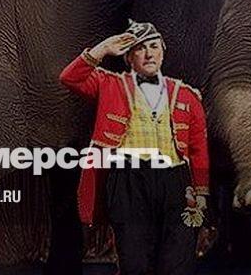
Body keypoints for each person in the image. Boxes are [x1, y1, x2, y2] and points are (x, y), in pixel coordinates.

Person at [59, 19, 209, 275]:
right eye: (140, 48)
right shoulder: (110, 84)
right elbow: (70, 78)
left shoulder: (185, 94)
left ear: (163, 52)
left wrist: (202, 193)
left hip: (175, 181)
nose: (149, 54)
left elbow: (198, 149)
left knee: (178, 262)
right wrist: (104, 48)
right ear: (129, 57)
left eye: (154, 46)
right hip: (128, 180)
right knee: (134, 262)